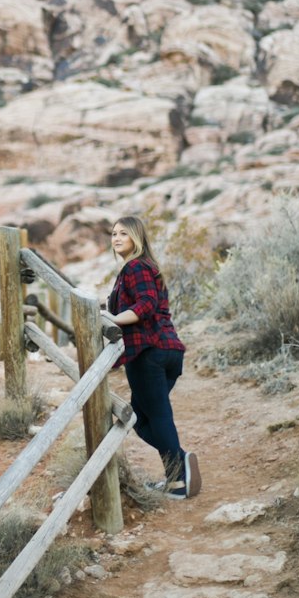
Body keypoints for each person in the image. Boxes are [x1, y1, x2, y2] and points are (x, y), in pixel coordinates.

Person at [105, 214, 201, 500]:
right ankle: (175, 475)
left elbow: (145, 305)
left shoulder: (136, 267)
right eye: (113, 234)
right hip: (167, 352)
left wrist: (111, 318)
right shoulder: (141, 269)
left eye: (124, 233)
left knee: (154, 417)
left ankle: (180, 476)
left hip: (148, 353)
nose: (117, 238)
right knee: (144, 418)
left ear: (137, 237)